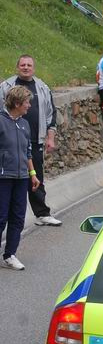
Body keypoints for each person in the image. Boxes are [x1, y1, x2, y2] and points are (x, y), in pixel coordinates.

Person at [0, 55, 61, 226]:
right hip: (9, 143)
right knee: (8, 181)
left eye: (29, 65)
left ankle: (42, 214)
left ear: (33, 68)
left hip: (35, 140)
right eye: (22, 65)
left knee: (36, 178)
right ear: (17, 67)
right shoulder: (6, 86)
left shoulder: (41, 87)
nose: (26, 67)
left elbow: (51, 113)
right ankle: (6, 218)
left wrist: (50, 137)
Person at [0, 86, 41, 270]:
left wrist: (32, 174)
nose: (29, 106)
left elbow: (27, 152)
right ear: (17, 103)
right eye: (27, 102)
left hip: (22, 177)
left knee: (18, 217)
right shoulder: (1, 121)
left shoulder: (24, 124)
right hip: (3, 177)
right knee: (1, 217)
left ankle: (10, 254)